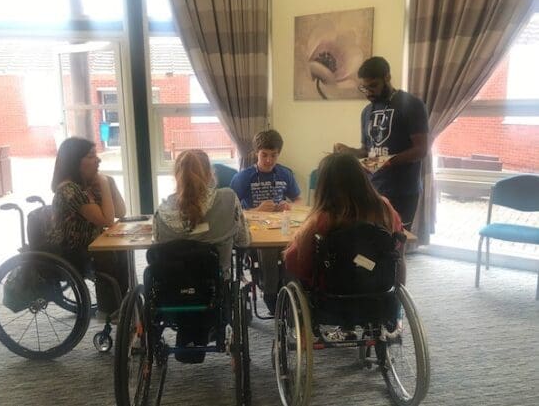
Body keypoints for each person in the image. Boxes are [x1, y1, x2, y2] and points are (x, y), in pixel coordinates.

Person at [153, 149, 251, 360]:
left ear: (176, 175)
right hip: (214, 290)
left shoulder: (162, 212)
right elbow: (244, 241)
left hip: (171, 292)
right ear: (210, 173)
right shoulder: (228, 199)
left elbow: (158, 249)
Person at [284, 153, 406, 289]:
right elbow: (397, 249)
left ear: (324, 186)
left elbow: (293, 262)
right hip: (379, 288)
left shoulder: (322, 219)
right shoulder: (385, 209)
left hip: (333, 295)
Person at [334, 56, 429, 230]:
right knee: (372, 243)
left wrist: (387, 161)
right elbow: (367, 151)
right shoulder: (366, 112)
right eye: (364, 87)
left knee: (397, 244)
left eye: (373, 86)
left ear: (387, 78)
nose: (369, 92)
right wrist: (349, 151)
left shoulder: (411, 105)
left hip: (403, 191)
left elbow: (421, 150)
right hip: (372, 189)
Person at [46, 137, 127, 314]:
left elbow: (120, 212)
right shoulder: (69, 190)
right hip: (71, 251)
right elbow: (107, 220)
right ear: (75, 161)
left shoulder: (84, 187)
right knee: (109, 254)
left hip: (89, 244)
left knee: (122, 249)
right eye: (91, 156)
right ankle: (110, 309)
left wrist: (110, 183)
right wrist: (104, 184)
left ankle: (123, 304)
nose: (98, 160)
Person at [230, 129, 301, 313]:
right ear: (256, 153)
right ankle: (270, 293)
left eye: (273, 155)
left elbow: (299, 201)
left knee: (294, 247)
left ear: (279, 154)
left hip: (281, 227)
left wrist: (289, 206)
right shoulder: (243, 177)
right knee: (268, 250)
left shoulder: (285, 174)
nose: (269, 160)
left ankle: (291, 290)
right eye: (264, 155)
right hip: (256, 231)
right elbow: (232, 210)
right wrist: (256, 210)